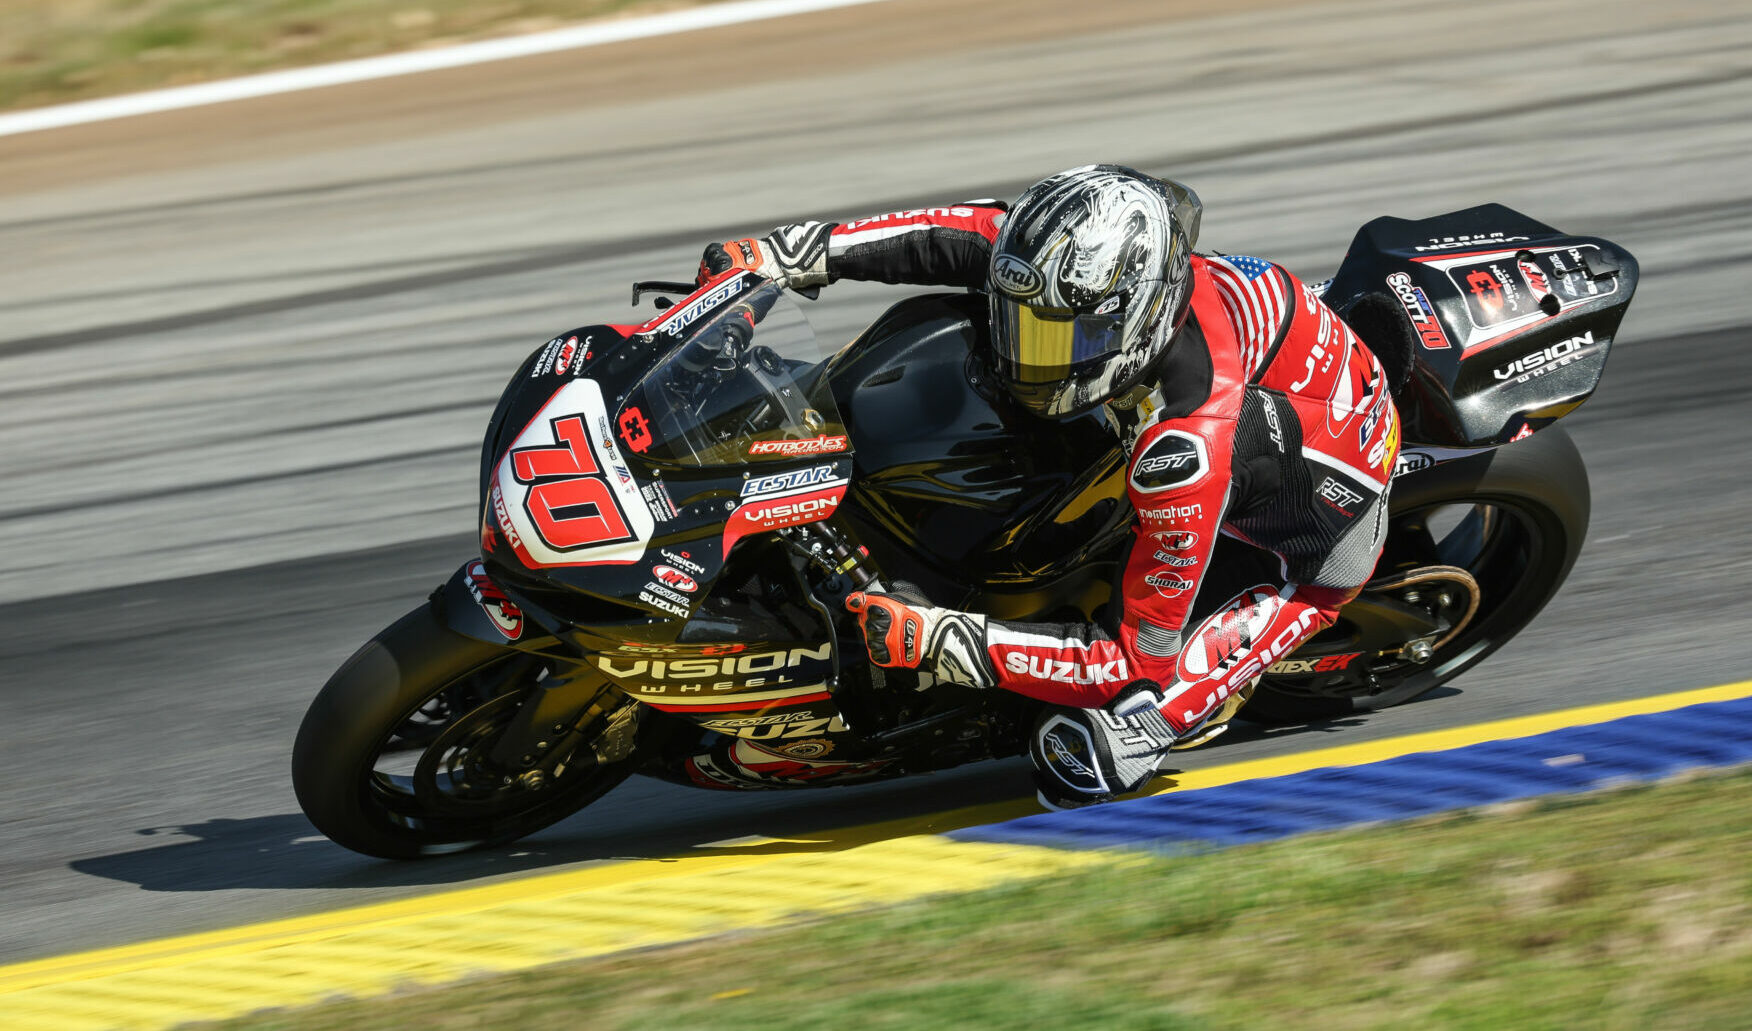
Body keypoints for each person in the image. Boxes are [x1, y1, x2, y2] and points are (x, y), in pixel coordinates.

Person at [697, 165, 1399, 809]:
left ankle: (1157, 727)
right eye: (1021, 324)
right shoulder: (1071, 263)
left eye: (1057, 339)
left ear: (1135, 323)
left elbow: (1130, 658)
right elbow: (956, 236)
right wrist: (791, 254)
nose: (1024, 353)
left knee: (1107, 735)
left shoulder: (1182, 450)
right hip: (1282, 381)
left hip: (1314, 533)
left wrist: (950, 639)